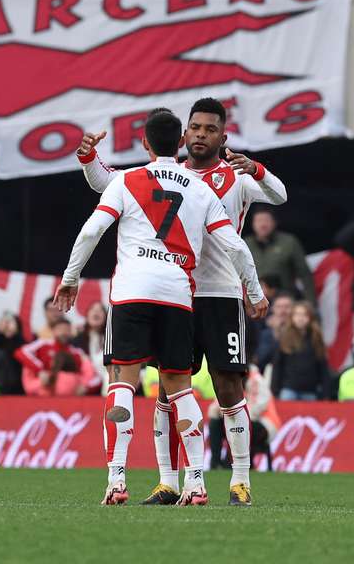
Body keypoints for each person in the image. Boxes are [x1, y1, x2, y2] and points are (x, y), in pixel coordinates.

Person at [56, 108, 268, 507]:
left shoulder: (130, 179)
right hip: (178, 293)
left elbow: (92, 228)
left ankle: (117, 478)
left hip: (134, 290)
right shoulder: (200, 188)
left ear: (145, 143)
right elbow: (236, 244)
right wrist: (255, 291)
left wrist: (70, 277)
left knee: (123, 381)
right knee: (179, 388)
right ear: (182, 140)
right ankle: (196, 483)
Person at [245, 208, 316, 304]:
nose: (263, 225)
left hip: (286, 300)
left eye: (266, 220)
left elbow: (304, 274)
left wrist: (311, 304)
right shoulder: (244, 244)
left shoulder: (289, 242)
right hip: (254, 302)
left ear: (274, 223)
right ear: (252, 224)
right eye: (259, 221)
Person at [16, 319, 101, 397]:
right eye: (60, 329)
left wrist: (86, 387)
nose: (64, 333)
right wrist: (40, 370)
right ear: (53, 331)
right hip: (43, 397)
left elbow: (96, 376)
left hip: (71, 398)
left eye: (67, 329)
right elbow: (21, 352)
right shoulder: (43, 344)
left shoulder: (77, 353)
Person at [270, 302, 330, 401]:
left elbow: (323, 368)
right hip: (288, 390)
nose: (300, 318)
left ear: (310, 318)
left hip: (310, 391)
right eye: (297, 314)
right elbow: (277, 366)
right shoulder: (285, 338)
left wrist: (326, 393)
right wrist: (274, 391)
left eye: (304, 315)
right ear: (292, 317)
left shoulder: (316, 339)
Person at [73, 301, 108, 394]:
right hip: (85, 386)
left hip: (107, 385)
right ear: (87, 316)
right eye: (93, 310)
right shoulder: (77, 341)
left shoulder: (112, 339)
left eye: (100, 310)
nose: (96, 312)